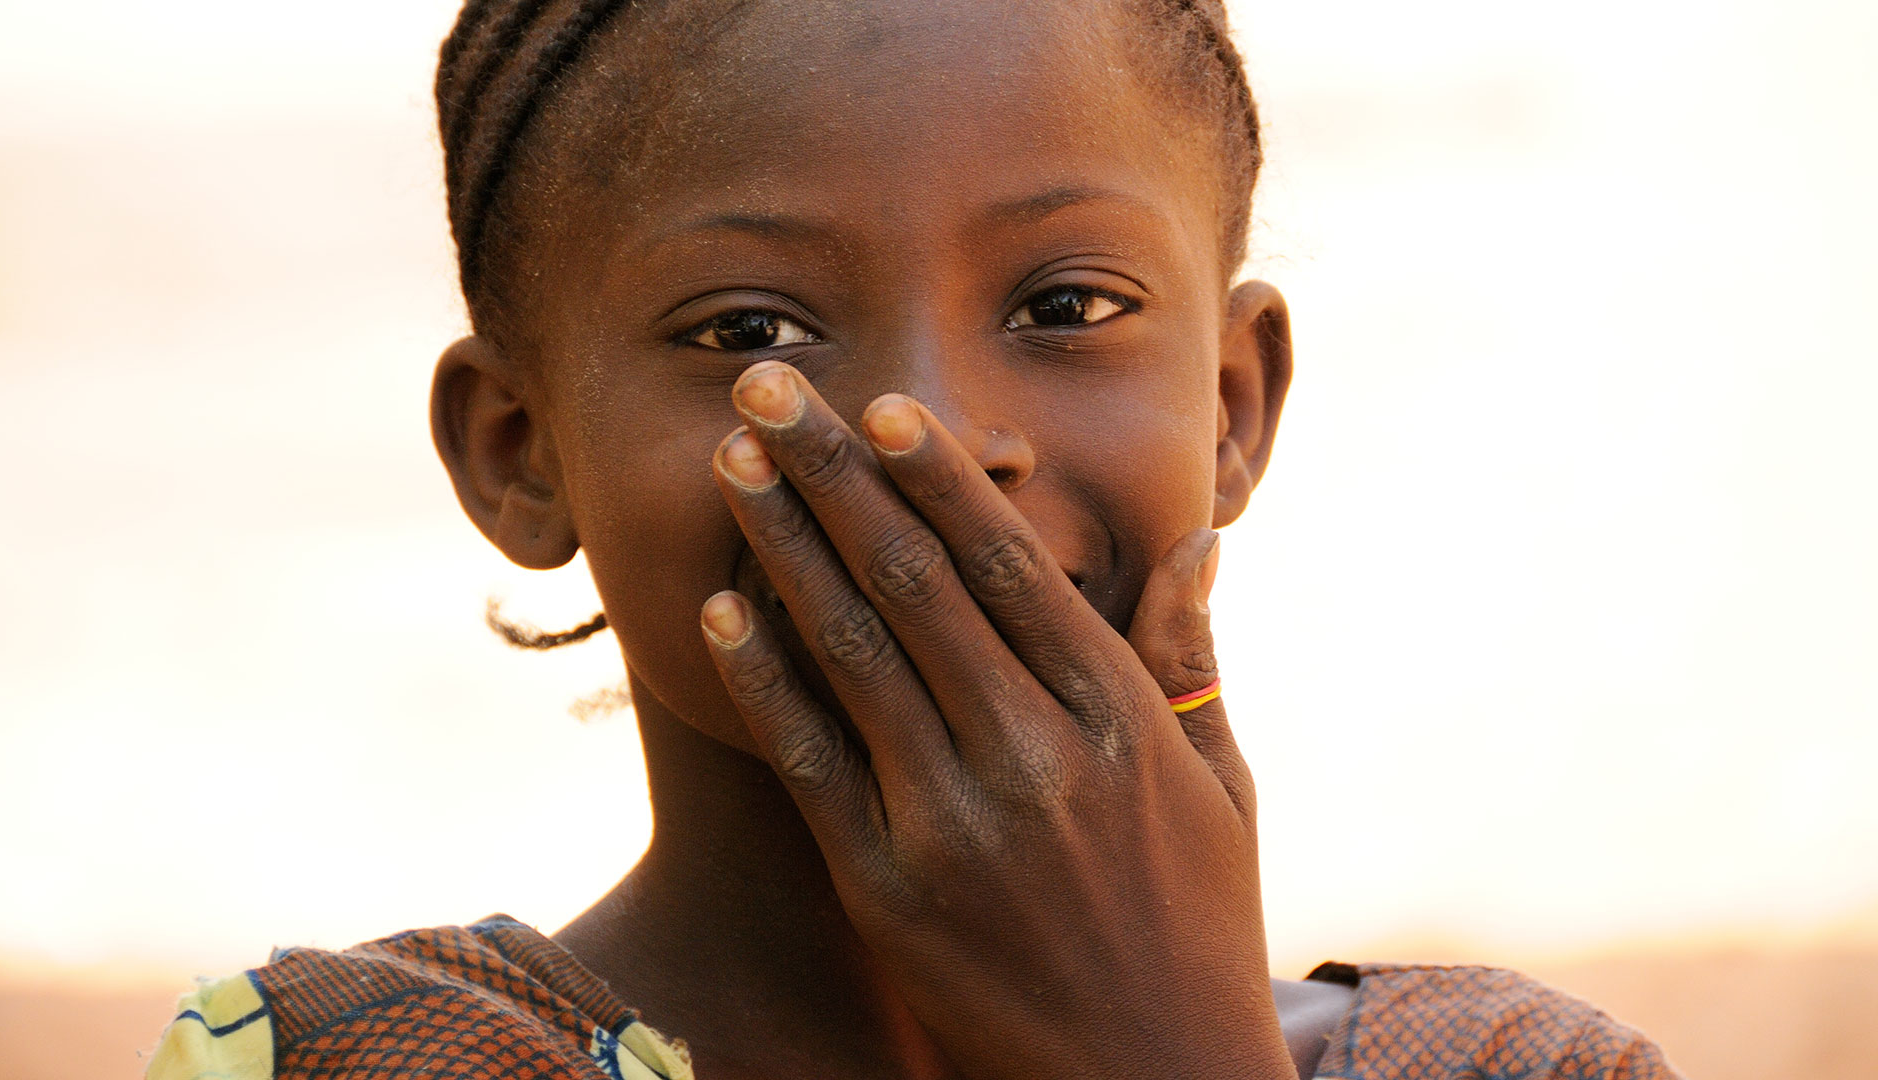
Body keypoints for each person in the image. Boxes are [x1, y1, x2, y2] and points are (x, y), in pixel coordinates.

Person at [146, 1, 1682, 1078]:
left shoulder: (1516, 1066)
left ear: (1231, 403)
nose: (933, 431)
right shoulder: (366, 1058)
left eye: (1065, 308)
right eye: (753, 328)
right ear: (517, 451)